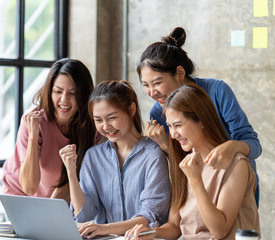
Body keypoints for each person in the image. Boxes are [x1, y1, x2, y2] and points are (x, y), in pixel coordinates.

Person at [138, 27, 261, 206]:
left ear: (180, 73)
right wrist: (165, 145)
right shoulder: (158, 112)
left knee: (241, 232)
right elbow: (179, 166)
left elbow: (254, 146)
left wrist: (232, 147)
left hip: (236, 183)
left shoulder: (218, 91)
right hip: (199, 189)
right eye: (145, 85)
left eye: (157, 83)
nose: (152, 92)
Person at [125, 84, 260, 240]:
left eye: (178, 125)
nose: (173, 134)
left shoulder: (236, 164)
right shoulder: (186, 163)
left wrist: (195, 179)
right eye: (170, 126)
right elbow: (175, 227)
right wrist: (152, 231)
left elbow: (220, 230)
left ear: (202, 120)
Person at [59, 80, 171, 239]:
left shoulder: (153, 153)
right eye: (98, 120)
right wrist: (71, 171)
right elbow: (84, 215)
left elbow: (151, 214)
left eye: (112, 118)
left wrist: (106, 228)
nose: (106, 126)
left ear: (131, 109)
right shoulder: (93, 156)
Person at [2, 58, 98, 201]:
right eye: (58, 91)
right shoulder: (33, 122)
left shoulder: (92, 126)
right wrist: (33, 136)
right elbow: (29, 187)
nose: (64, 100)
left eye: (72, 93)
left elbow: (81, 175)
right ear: (49, 91)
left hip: (58, 198)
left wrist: (52, 205)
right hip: (20, 194)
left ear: (84, 95)